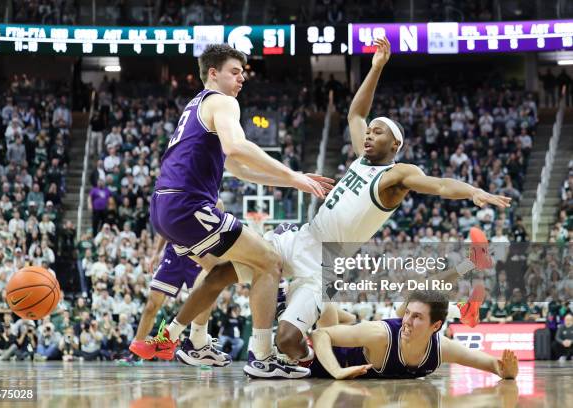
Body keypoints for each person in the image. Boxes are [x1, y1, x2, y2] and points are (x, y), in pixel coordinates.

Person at [156, 37, 510, 378]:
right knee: (224, 271)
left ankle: (309, 357)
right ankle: (177, 336)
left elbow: (441, 184)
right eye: (369, 132)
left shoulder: (396, 175)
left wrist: (473, 191)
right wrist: (376, 67)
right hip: (303, 238)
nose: (368, 135)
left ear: (395, 144)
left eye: (377, 133)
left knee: (297, 337)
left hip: (327, 263)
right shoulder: (363, 159)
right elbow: (356, 113)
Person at [149, 43, 331, 379]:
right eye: (235, 71)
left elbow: (238, 167)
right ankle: (262, 355)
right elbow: (237, 147)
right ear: (213, 74)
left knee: (218, 270)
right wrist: (294, 175)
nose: (242, 78)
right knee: (269, 261)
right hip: (189, 204)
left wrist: (291, 183)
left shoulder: (197, 106)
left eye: (244, 73)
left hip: (165, 207)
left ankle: (194, 340)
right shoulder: (223, 101)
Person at [308, 291, 519, 380]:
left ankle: (347, 317)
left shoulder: (440, 347)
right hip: (328, 357)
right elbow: (319, 335)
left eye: (416, 316)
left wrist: (506, 372)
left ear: (436, 326)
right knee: (325, 305)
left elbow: (494, 365)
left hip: (354, 335)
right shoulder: (380, 334)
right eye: (407, 313)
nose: (407, 321)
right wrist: (336, 371)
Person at [129, 201, 231, 367]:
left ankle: (198, 346)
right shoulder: (179, 192)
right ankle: (137, 350)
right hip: (174, 254)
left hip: (199, 254)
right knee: (151, 304)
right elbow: (165, 226)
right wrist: (156, 253)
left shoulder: (216, 203)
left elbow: (216, 234)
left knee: (203, 303)